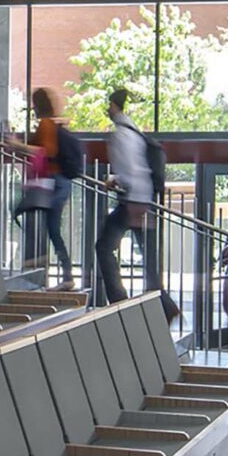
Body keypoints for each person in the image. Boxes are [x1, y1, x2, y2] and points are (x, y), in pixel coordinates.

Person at [95, 86, 160, 305]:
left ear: (114, 106)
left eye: (109, 105)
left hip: (132, 201)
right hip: (143, 198)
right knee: (149, 257)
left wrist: (118, 181)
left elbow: (130, 169)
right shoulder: (134, 131)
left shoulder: (122, 135)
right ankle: (164, 305)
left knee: (103, 247)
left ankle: (118, 299)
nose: (107, 109)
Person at [15, 87, 79, 286]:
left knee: (26, 213)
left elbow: (44, 151)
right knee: (51, 228)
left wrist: (18, 146)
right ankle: (62, 273)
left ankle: (36, 262)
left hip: (54, 182)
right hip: (60, 183)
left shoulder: (46, 125)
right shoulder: (51, 125)